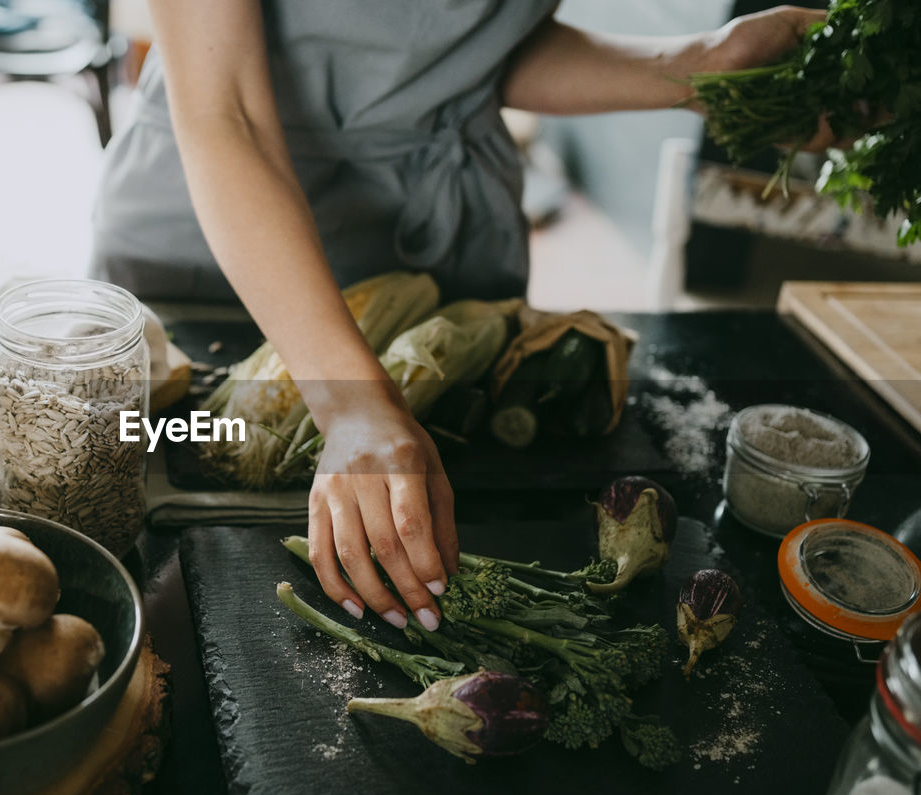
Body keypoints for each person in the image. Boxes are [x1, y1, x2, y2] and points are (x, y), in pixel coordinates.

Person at [88, 2, 825, 631]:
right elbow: (231, 114)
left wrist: (699, 63)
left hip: (441, 235)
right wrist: (353, 405)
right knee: (157, 597)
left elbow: (461, 47)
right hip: (224, 248)